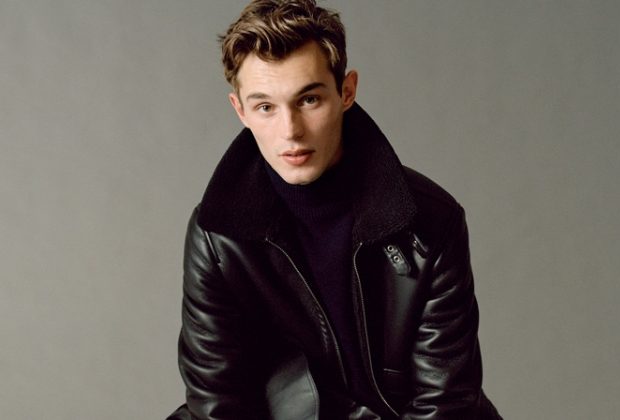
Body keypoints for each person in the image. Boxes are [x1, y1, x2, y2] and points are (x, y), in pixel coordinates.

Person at [168, 1, 501, 418]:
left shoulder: (431, 222)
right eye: (265, 107)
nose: (290, 131)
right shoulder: (217, 235)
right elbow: (217, 402)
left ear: (346, 92)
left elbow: (444, 403)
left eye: (309, 99)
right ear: (240, 111)